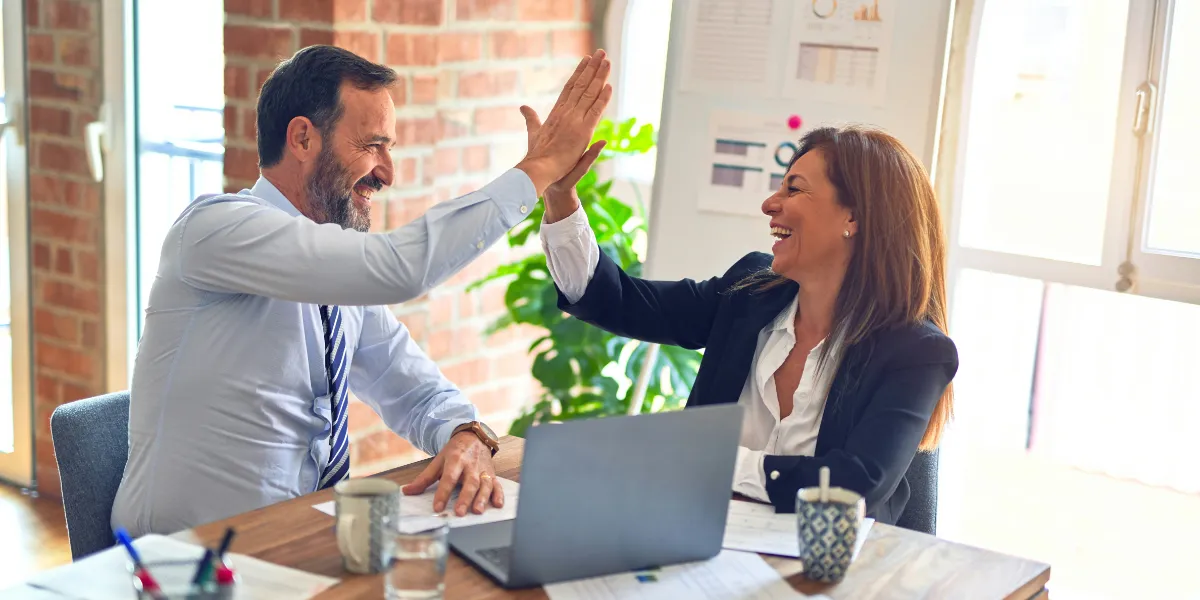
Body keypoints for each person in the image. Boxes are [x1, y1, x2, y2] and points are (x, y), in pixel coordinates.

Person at [111, 45, 613, 536]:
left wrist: (466, 434)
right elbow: (400, 268)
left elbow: (412, 387)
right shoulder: (215, 229)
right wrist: (539, 168)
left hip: (298, 545)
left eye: (388, 148)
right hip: (184, 563)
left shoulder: (336, 277)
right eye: (373, 145)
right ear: (303, 139)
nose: (387, 172)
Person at [539, 125, 958, 525]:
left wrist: (713, 460)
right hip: (699, 542)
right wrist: (560, 196)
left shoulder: (916, 352)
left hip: (827, 575)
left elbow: (853, 487)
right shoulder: (749, 293)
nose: (770, 204)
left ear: (854, 218)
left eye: (793, 189)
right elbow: (618, 300)